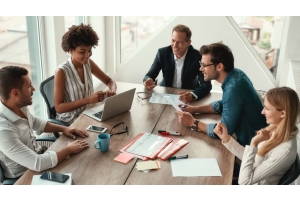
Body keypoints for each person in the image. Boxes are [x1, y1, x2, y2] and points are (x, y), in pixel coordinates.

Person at [0, 66, 89, 179]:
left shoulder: (18, 106)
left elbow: (37, 123)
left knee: (82, 163)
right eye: (29, 86)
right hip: (25, 174)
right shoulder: (3, 130)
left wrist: (64, 129)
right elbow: (38, 163)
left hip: (39, 155)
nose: (33, 89)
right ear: (15, 94)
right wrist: (69, 149)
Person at [177, 42, 267, 147]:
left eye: (204, 65)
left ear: (219, 66)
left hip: (249, 146)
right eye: (201, 64)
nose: (200, 69)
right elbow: (226, 103)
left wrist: (193, 123)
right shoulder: (237, 74)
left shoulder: (233, 88)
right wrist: (195, 109)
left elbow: (223, 131)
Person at [214, 87, 299, 185]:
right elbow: (251, 160)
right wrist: (226, 138)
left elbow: (244, 182)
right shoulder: (274, 129)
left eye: (267, 108)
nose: (262, 112)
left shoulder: (285, 150)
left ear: (282, 113)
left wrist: (254, 143)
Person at [54, 23, 117, 123]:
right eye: (82, 52)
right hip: (70, 120)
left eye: (90, 50)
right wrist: (88, 100)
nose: (87, 55)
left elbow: (109, 81)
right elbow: (59, 108)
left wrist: (112, 90)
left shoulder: (88, 64)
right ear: (70, 50)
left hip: (88, 112)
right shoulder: (61, 71)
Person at [143, 24, 212, 103]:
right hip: (165, 94)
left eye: (179, 42)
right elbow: (149, 75)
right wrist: (148, 80)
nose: (175, 45)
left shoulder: (197, 56)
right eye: (173, 40)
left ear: (188, 42)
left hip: (187, 95)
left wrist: (192, 95)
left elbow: (206, 85)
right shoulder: (163, 53)